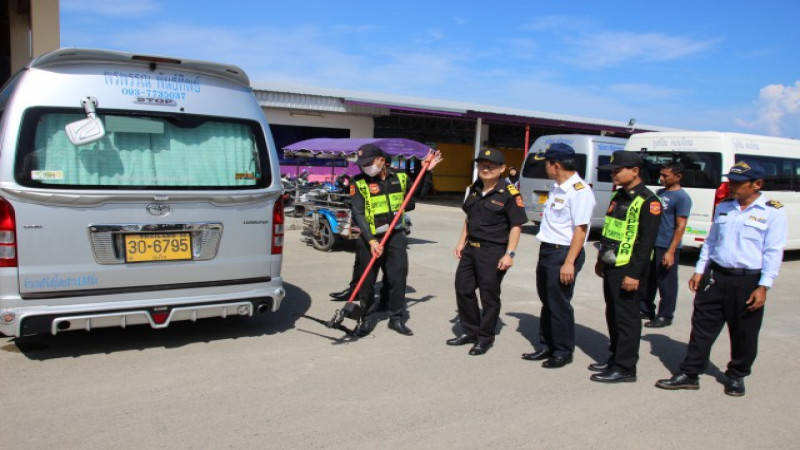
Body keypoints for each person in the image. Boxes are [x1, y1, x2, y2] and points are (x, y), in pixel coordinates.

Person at [655, 161, 787, 397]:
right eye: (730, 181)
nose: (732, 186)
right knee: (702, 327)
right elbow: (711, 241)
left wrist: (764, 286)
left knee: (743, 332)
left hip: (748, 280)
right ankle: (690, 373)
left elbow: (773, 251)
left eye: (738, 183)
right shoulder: (725, 207)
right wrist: (699, 270)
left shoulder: (772, 211)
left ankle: (737, 375)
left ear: (757, 184)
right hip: (716, 275)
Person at [349, 144, 442, 337]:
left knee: (397, 278)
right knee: (367, 282)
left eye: (368, 163)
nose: (364, 167)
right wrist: (372, 241)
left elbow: (421, 194)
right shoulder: (358, 181)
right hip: (370, 237)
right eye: (362, 163)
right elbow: (357, 213)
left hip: (396, 236)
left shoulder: (400, 177)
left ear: (381, 161)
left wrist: (427, 172)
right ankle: (366, 319)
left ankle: (396, 318)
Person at [521, 143, 596, 368]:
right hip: (548, 249)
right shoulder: (557, 187)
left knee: (559, 303)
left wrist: (569, 262)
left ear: (556, 164)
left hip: (563, 253)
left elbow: (581, 231)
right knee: (548, 301)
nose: (545, 167)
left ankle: (563, 350)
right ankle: (546, 346)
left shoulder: (579, 191)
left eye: (546, 163)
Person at [589, 150, 661, 383]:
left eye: (617, 171)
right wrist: (602, 259)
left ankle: (626, 367)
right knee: (613, 314)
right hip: (612, 264)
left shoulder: (649, 202)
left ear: (635, 171)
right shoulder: (619, 196)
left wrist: (634, 274)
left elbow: (646, 243)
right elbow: (610, 231)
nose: (613, 175)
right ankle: (615, 357)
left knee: (627, 319)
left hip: (629, 269)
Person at [447, 149, 527, 355]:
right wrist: (460, 242)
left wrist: (510, 254)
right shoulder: (474, 189)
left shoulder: (510, 194)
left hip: (493, 251)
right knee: (463, 288)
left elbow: (516, 226)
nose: (485, 169)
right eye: (482, 165)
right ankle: (470, 330)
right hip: (470, 249)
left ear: (502, 169)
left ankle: (485, 337)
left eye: (491, 165)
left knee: (489, 295)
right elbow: (469, 218)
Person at [641, 162, 692, 327]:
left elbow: (680, 225)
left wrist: (671, 251)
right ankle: (646, 308)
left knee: (666, 282)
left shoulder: (682, 198)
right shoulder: (660, 193)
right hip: (653, 242)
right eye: (661, 174)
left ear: (678, 176)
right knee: (649, 279)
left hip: (667, 244)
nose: (661, 178)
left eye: (665, 175)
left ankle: (665, 315)